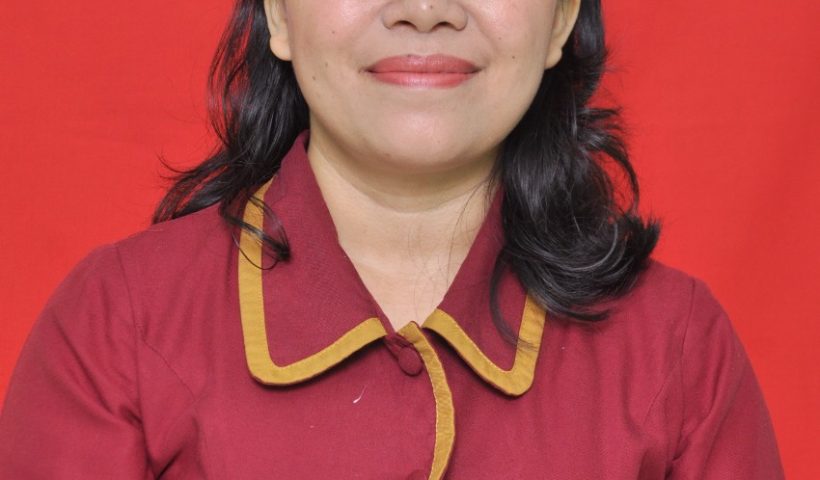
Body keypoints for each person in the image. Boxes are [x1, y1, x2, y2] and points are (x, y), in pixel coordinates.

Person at [0, 0, 784, 478]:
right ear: (279, 15)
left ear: (561, 21)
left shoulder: (677, 346)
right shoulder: (117, 324)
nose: (425, 9)